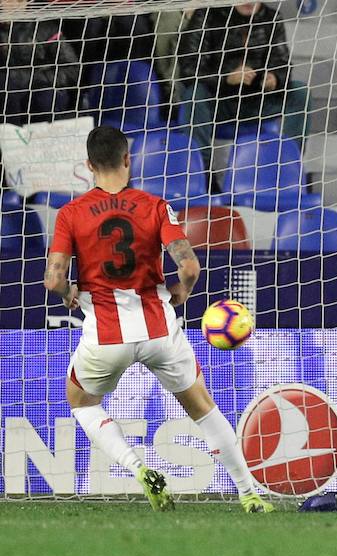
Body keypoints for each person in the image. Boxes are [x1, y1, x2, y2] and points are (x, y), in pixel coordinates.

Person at [43, 126, 273, 513]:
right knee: (202, 406)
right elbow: (189, 265)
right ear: (127, 160)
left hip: (105, 335)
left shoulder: (70, 214)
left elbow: (53, 279)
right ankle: (249, 494)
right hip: (159, 329)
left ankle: (138, 467)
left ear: (88, 166)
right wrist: (181, 293)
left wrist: (69, 294)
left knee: (82, 403)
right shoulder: (154, 206)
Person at [176, 2, 309, 166]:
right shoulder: (205, 15)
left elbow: (282, 63)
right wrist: (226, 78)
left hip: (256, 102)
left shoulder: (271, 17)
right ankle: (200, 171)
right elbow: (188, 69)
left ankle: (290, 165)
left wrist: (275, 78)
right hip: (217, 102)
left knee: (300, 92)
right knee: (194, 94)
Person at [0, 0, 79, 126]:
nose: (4, 4)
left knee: (44, 97)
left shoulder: (45, 27)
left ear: (25, 3)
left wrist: (30, 79)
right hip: (8, 94)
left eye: (10, 0)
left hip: (41, 89)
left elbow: (72, 69)